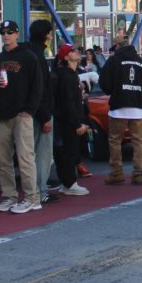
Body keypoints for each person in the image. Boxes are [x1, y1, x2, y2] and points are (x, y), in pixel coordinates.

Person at [0, 20, 43, 214]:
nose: (6, 35)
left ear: (17, 34)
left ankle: (32, 197)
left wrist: (29, 110)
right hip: (3, 114)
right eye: (3, 32)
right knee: (3, 159)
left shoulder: (28, 57)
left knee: (25, 157)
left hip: (22, 114)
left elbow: (37, 85)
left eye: (10, 32)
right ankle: (9, 195)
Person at [98, 36, 142, 185]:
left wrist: (113, 91)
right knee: (138, 141)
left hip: (119, 106)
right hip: (138, 107)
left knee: (115, 140)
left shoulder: (114, 61)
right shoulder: (140, 62)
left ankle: (116, 172)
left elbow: (103, 81)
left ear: (117, 46)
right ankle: (138, 173)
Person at [25, 19, 57, 205]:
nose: (51, 36)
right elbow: (41, 88)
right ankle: (40, 190)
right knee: (42, 153)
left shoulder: (28, 52)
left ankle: (34, 190)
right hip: (40, 111)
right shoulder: (37, 55)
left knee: (30, 154)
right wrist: (45, 115)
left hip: (28, 111)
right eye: (50, 33)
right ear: (45, 34)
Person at [52, 44, 90, 197]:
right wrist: (77, 123)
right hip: (67, 120)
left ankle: (66, 183)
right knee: (69, 152)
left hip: (63, 119)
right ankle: (69, 183)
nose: (77, 52)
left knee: (65, 152)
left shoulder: (67, 74)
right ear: (66, 57)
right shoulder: (67, 76)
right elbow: (68, 102)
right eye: (73, 51)